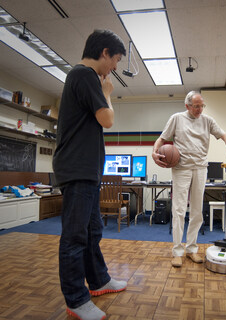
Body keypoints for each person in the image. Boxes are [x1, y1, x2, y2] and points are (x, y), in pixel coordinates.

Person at [53, 29, 127, 320]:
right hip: (78, 169)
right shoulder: (84, 75)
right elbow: (107, 119)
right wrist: (108, 94)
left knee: (91, 231)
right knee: (75, 237)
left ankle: (99, 281)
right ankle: (76, 300)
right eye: (116, 59)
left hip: (86, 170)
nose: (116, 68)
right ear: (105, 52)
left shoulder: (84, 78)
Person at [152, 91, 226, 267]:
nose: (200, 109)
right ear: (187, 106)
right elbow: (161, 139)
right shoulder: (177, 118)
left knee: (197, 211)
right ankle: (177, 251)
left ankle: (192, 249)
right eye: (196, 106)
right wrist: (154, 153)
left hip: (200, 168)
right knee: (178, 210)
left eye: (202, 106)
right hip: (181, 169)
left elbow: (224, 136)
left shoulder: (207, 120)